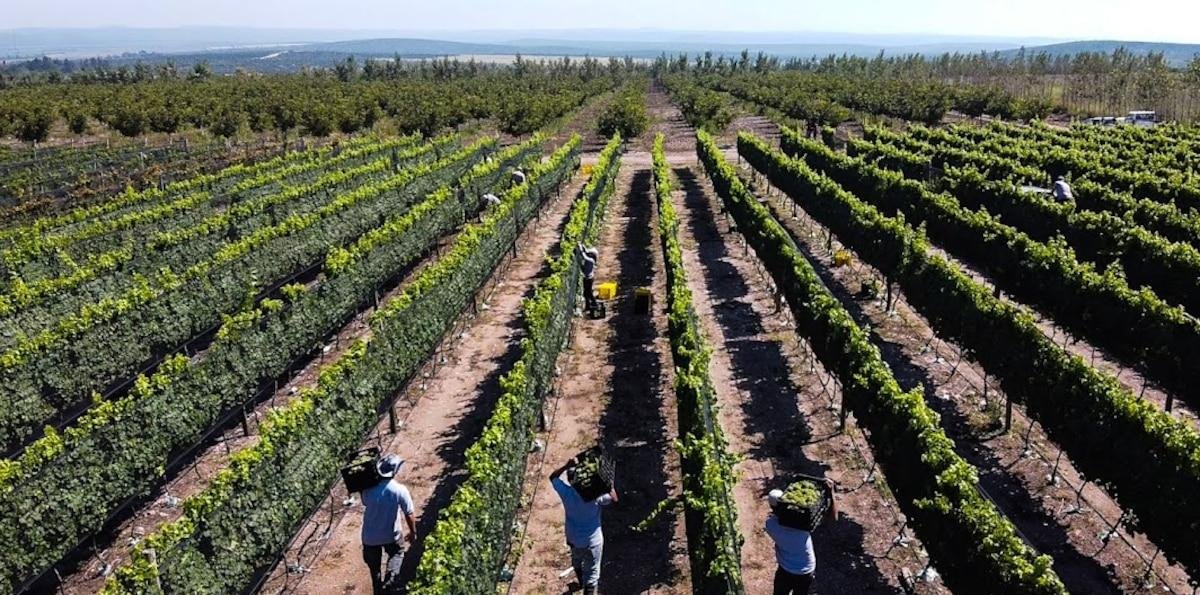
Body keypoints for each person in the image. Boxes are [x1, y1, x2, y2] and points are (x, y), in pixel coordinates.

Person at [550, 456, 618, 595]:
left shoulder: (566, 493)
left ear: (570, 481)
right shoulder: (594, 495)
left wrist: (565, 466)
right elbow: (614, 498)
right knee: (592, 574)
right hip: (593, 541)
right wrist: (607, 483)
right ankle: (587, 588)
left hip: (574, 538)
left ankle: (580, 581)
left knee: (577, 560)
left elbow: (553, 477)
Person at [765, 480, 837, 595]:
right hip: (806, 569)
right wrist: (830, 493)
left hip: (785, 568)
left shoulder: (770, 525)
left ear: (771, 507)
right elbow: (833, 518)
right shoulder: (802, 522)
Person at [361, 455, 416, 595]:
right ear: (395, 471)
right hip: (391, 535)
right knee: (397, 553)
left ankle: (378, 591)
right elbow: (409, 513)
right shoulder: (399, 490)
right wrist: (413, 532)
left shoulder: (368, 489)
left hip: (369, 537)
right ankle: (390, 580)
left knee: (374, 570)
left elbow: (365, 502)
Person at [579, 245, 599, 313]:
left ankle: (595, 304)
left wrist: (581, 249)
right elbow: (586, 252)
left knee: (589, 292)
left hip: (589, 279)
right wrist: (582, 246)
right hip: (587, 278)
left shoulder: (591, 260)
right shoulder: (590, 259)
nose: (588, 253)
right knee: (586, 293)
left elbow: (584, 256)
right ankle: (588, 306)